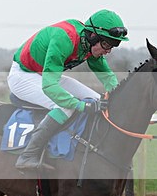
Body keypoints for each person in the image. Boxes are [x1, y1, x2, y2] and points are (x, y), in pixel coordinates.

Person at [8, 9, 128, 171]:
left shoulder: (89, 43)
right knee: (65, 106)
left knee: (97, 100)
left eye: (114, 45)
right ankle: (28, 155)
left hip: (42, 74)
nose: (108, 51)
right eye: (107, 44)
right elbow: (50, 86)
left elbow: (107, 78)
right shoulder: (64, 39)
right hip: (23, 75)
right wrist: (80, 106)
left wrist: (118, 98)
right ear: (93, 36)